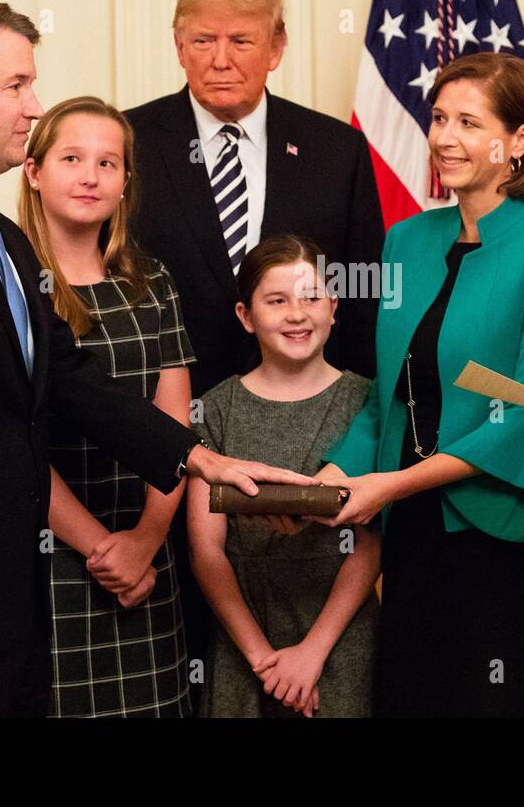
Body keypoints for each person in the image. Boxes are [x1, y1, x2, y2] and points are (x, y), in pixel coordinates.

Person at [0, 0, 314, 717]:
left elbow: (73, 383)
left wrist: (201, 460)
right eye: (15, 85)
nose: (34, 105)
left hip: (12, 594)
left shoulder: (3, 237)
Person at [319, 52, 524, 717]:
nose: (445, 137)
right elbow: (387, 397)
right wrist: (328, 477)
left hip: (516, 537)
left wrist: (389, 485)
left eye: (469, 122)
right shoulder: (405, 242)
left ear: (519, 142)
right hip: (417, 535)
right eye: (440, 118)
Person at [123, 0, 385, 688]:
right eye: (201, 39)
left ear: (278, 47)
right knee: (198, 669)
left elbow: (361, 312)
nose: (220, 58)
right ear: (177, 45)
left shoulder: (337, 151)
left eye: (242, 40)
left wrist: (350, 448)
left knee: (323, 662)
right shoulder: (130, 146)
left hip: (316, 449)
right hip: (169, 452)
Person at [16, 96, 195, 717]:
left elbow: (175, 424)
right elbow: (13, 441)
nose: (90, 176)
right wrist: (102, 549)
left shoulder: (151, 281)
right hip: (52, 562)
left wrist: (145, 539)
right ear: (34, 172)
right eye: (71, 158)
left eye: (108, 162)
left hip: (150, 561)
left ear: (124, 183)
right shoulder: (9, 288)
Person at [187, 235, 379, 718]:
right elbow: (206, 549)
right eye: (277, 301)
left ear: (334, 307)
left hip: (338, 635)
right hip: (244, 636)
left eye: (311, 297)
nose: (297, 314)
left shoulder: (368, 404)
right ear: (245, 316)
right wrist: (263, 661)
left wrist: (312, 653)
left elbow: (371, 542)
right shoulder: (214, 410)